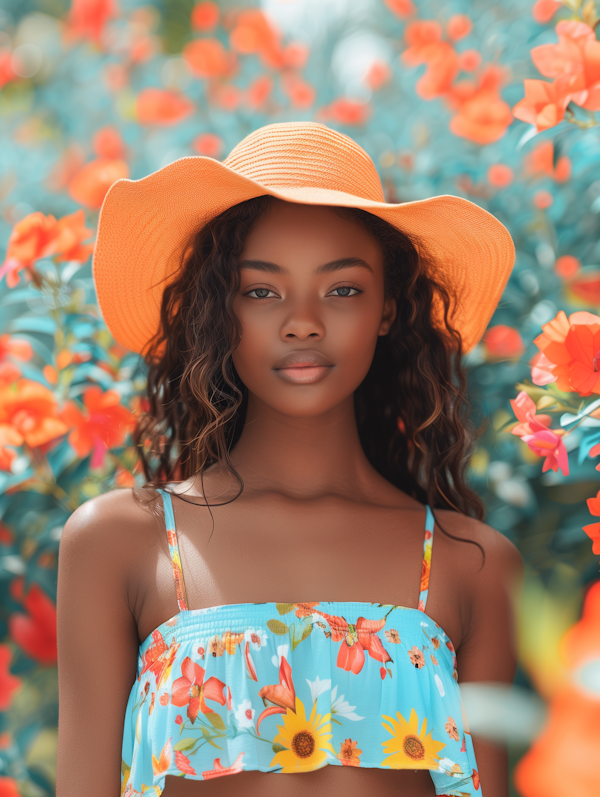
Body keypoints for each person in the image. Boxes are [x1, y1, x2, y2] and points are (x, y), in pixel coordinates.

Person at [56, 122, 523, 797]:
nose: (302, 322)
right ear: (219, 311)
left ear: (389, 308)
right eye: (262, 290)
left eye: (342, 290)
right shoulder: (119, 542)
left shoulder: (471, 563)